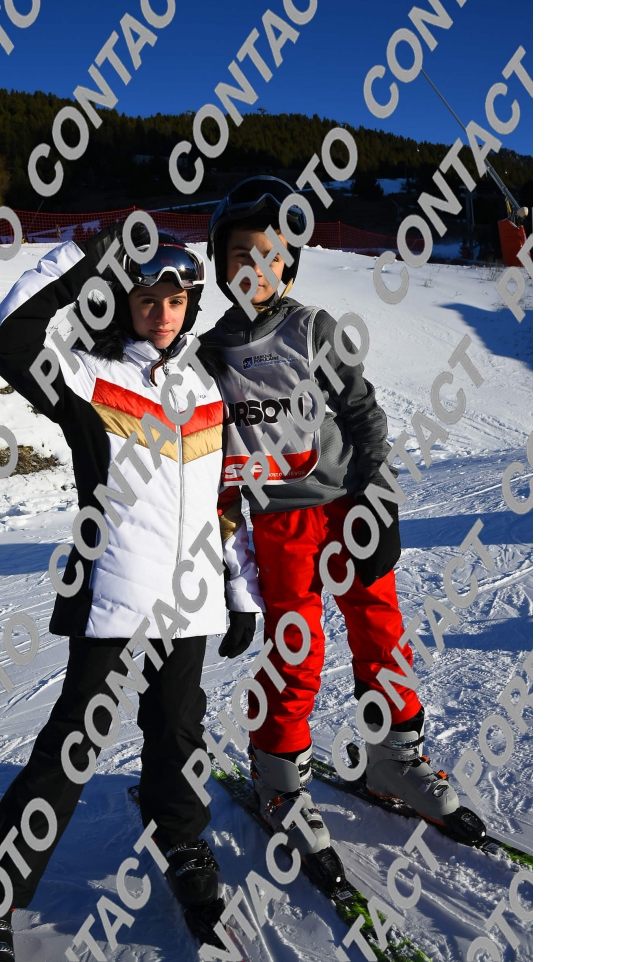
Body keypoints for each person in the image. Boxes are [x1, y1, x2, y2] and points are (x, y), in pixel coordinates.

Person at [0, 223, 264, 959]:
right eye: (147, 298)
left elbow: (225, 499)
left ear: (192, 303)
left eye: (176, 301)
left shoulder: (207, 386)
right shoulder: (90, 379)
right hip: (116, 598)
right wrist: (86, 251)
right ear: (124, 300)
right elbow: (6, 338)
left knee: (178, 733)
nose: (162, 313)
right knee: (70, 751)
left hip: (190, 603)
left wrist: (241, 590)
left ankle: (180, 840)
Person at [202, 177, 482, 884]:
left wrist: (378, 498)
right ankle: (278, 776)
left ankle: (394, 755)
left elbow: (362, 414)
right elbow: (203, 449)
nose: (257, 269)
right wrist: (220, 553)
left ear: (290, 264)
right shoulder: (209, 354)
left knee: (379, 623)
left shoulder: (312, 329)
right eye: (241, 256)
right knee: (297, 644)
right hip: (278, 519)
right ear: (220, 264)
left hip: (346, 502)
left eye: (272, 256)